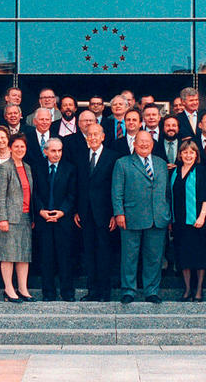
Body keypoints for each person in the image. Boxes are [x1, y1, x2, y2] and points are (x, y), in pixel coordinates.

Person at [112, 130, 171, 304]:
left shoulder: (161, 164)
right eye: (140, 142)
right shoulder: (122, 163)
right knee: (129, 256)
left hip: (158, 217)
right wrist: (119, 213)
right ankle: (128, 290)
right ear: (134, 144)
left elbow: (167, 192)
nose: (144, 144)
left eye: (147, 141)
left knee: (154, 257)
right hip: (131, 217)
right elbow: (116, 191)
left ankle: (151, 291)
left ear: (152, 144)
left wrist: (167, 214)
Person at [73, 123, 119, 302]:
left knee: (104, 253)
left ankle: (105, 292)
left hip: (106, 214)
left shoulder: (113, 157)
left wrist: (115, 213)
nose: (92, 138)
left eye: (95, 135)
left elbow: (116, 187)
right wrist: (77, 210)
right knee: (89, 253)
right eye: (89, 135)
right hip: (85, 213)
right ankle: (92, 291)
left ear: (103, 137)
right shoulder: (80, 157)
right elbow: (77, 185)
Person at [34, 137, 78, 302]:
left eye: (59, 150)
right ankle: (48, 293)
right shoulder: (37, 168)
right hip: (43, 219)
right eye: (53, 151)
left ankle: (67, 292)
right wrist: (41, 211)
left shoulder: (70, 169)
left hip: (63, 219)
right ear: (45, 152)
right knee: (46, 257)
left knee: (65, 257)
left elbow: (72, 194)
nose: (57, 154)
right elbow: (34, 193)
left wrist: (63, 211)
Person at [170, 139, 206, 302]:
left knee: (199, 255)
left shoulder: (201, 171)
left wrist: (202, 217)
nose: (188, 155)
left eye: (191, 152)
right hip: (179, 221)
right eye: (185, 152)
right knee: (183, 256)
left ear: (196, 155)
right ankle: (187, 289)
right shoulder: (175, 172)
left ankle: (199, 289)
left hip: (197, 221)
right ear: (180, 154)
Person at [0, 134, 35, 302]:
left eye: (22, 147)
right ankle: (8, 289)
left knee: (24, 255)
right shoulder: (5, 168)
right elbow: (0, 196)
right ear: (10, 148)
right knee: (8, 254)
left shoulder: (27, 167)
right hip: (9, 218)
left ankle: (23, 288)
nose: (20, 150)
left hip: (25, 216)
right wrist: (2, 218)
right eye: (16, 146)